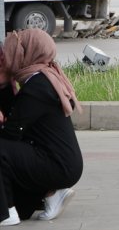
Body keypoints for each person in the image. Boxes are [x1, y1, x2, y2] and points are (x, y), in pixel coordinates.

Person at [0, 29, 83, 224]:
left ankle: (6, 214)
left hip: (58, 166)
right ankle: (49, 195)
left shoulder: (37, 87)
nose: (10, 54)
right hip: (56, 160)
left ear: (28, 52)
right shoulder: (40, 78)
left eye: (15, 49)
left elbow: (12, 133)